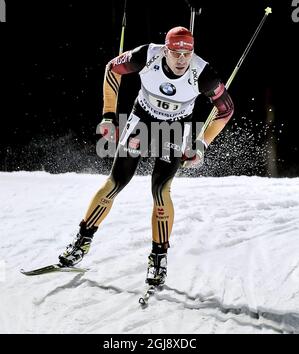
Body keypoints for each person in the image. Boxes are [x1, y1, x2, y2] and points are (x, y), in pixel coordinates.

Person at [58, 26, 234, 286]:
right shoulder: (146, 56)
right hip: (141, 121)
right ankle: (81, 243)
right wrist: (108, 114)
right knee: (115, 182)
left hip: (174, 129)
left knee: (161, 191)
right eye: (176, 54)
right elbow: (112, 69)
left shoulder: (203, 74)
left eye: (187, 54)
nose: (182, 60)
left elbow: (225, 111)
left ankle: (159, 258)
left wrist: (201, 144)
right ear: (166, 50)